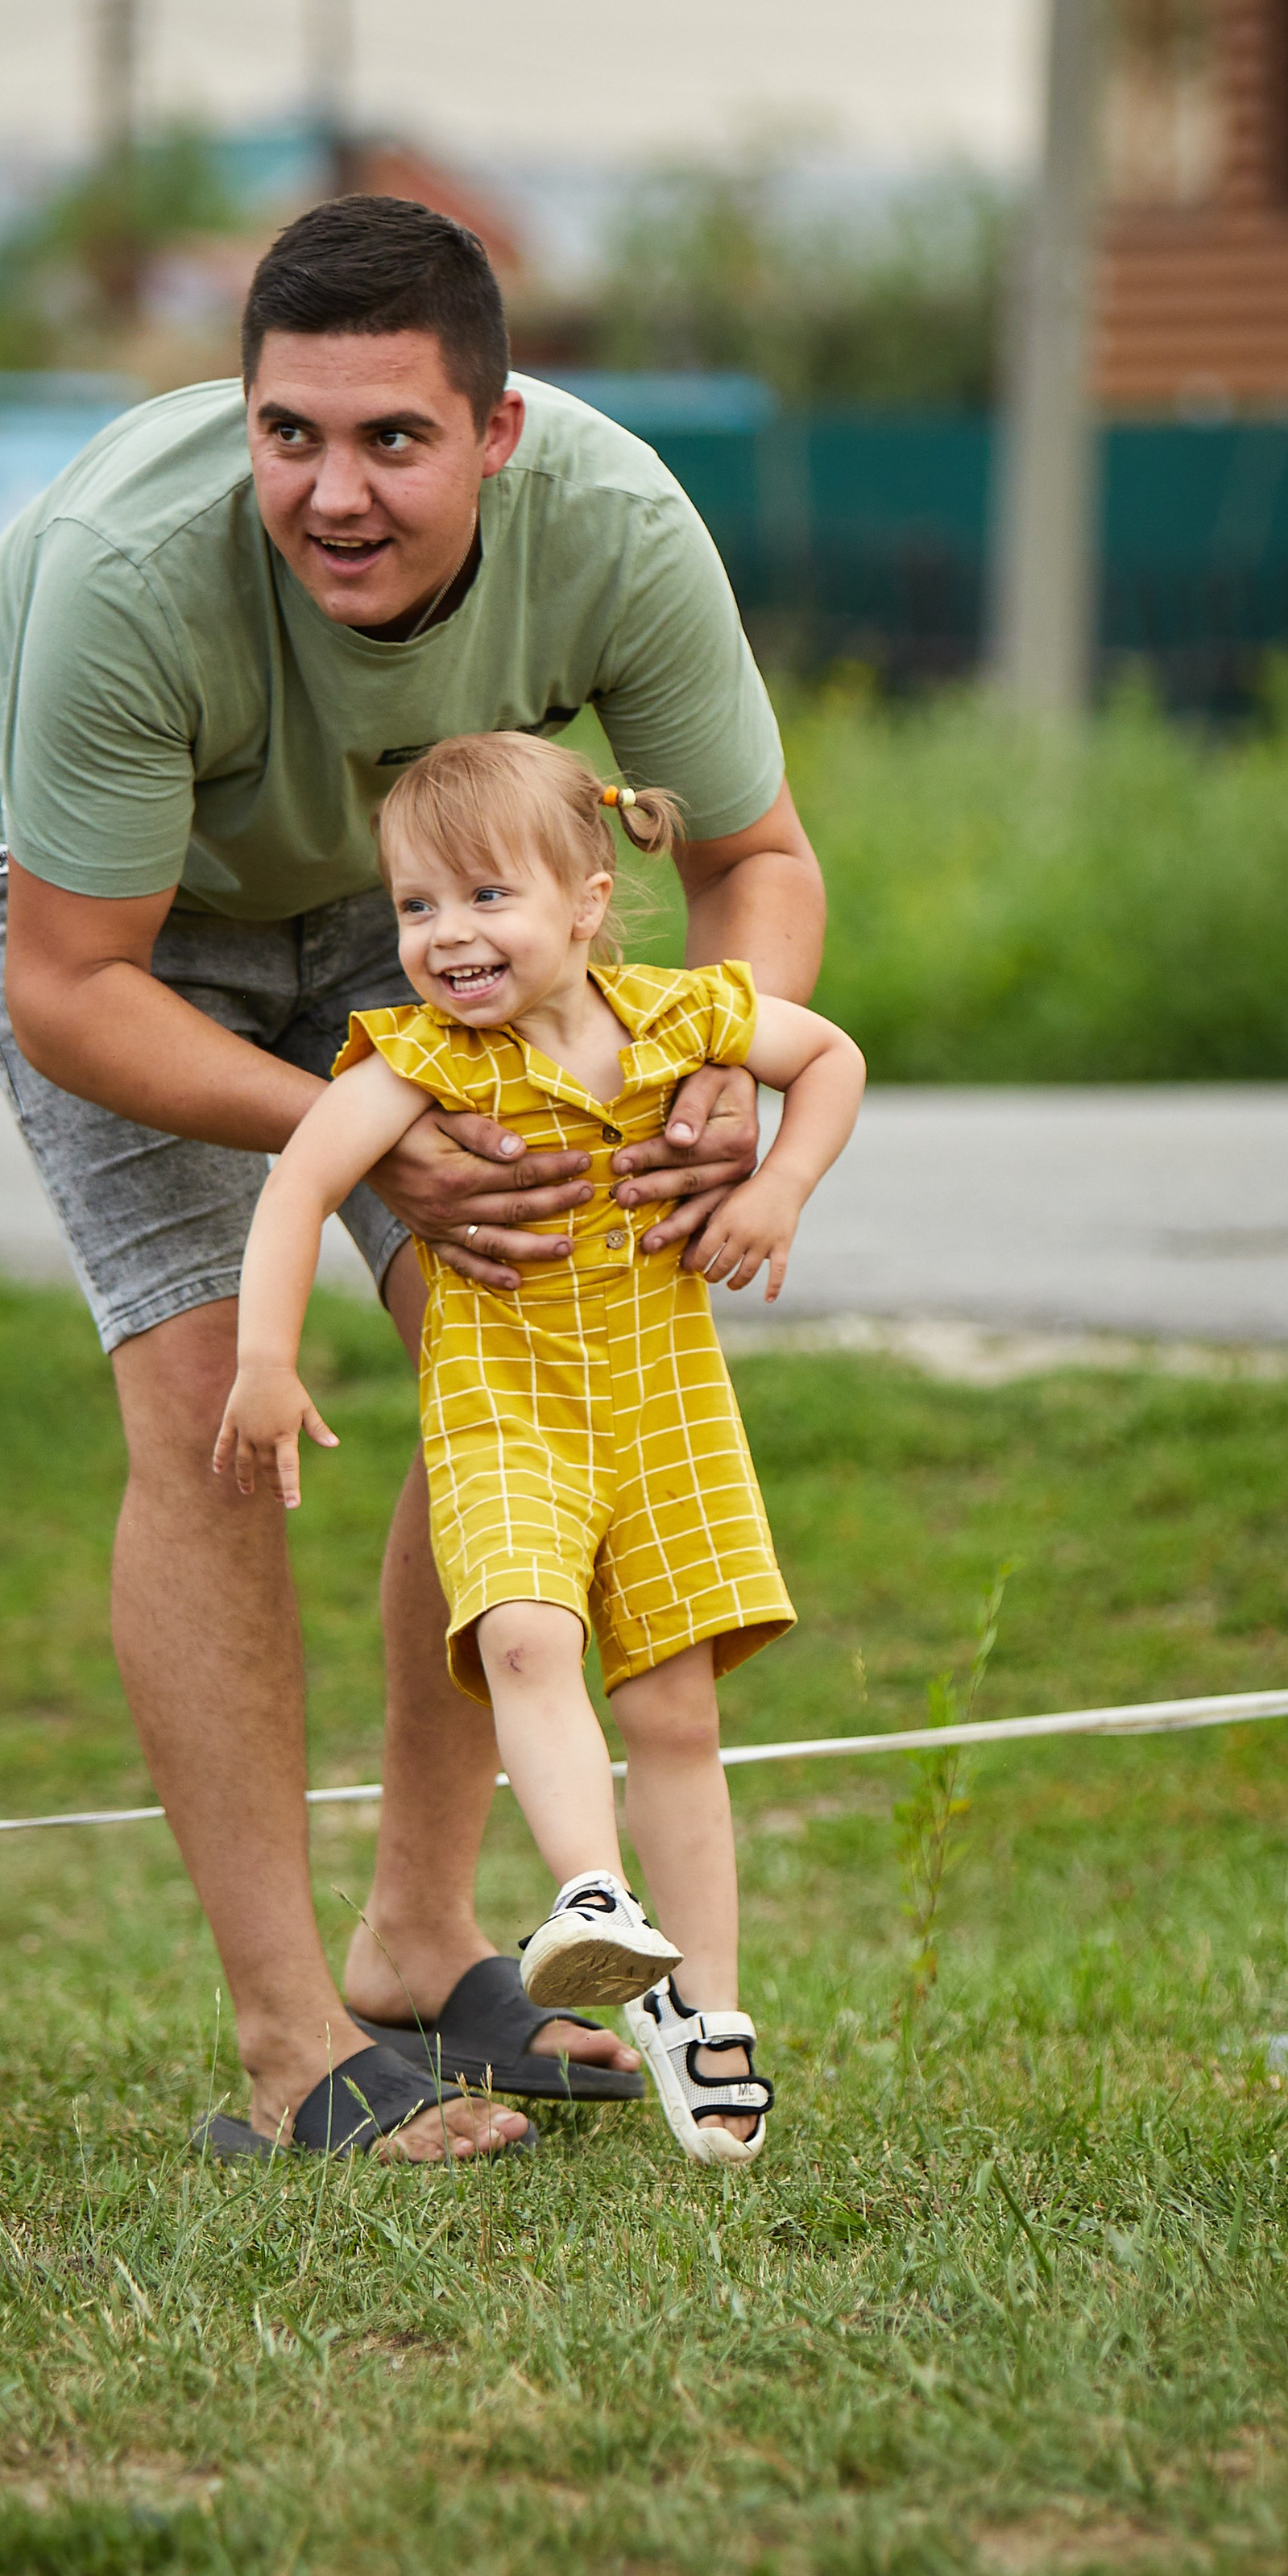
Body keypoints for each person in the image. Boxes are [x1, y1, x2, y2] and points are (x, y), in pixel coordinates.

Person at [0, 193, 826, 2162]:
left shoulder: (615, 522)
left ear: (497, 435)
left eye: (391, 439)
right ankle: (287, 2044)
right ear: (241, 417)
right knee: (194, 1394)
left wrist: (706, 1071)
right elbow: (76, 987)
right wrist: (368, 1127)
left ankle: (420, 1945)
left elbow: (757, 859)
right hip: (111, 910)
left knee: (509, 1334)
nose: (330, 491)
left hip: (431, 899)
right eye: (287, 433)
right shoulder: (128, 572)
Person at [214, 735, 864, 2164]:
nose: (444, 938)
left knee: (680, 1720)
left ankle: (707, 2019)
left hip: (668, 1417)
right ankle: (589, 1899)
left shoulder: (685, 1021)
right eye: (415, 909)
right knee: (521, 1638)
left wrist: (784, 1188)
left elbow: (831, 1058)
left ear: (583, 904)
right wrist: (265, 1362)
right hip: (506, 1413)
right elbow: (304, 1182)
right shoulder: (423, 1061)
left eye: (483, 899)